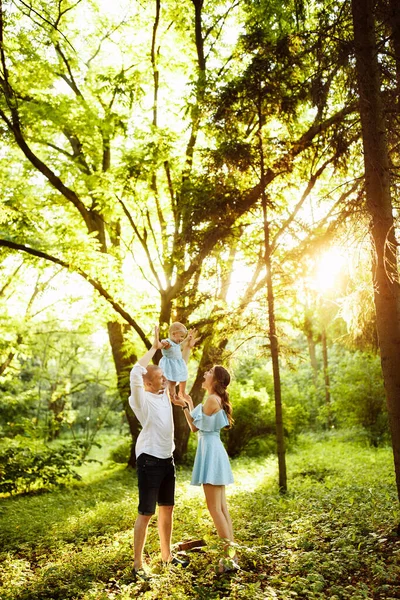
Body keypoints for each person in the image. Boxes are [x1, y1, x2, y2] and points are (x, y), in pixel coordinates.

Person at [128, 325, 198, 580]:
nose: (164, 380)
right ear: (148, 382)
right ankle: (137, 565)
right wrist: (154, 348)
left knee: (167, 508)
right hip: (149, 461)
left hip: (167, 460)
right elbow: (136, 371)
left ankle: (166, 557)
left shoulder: (165, 395)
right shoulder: (140, 399)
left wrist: (186, 346)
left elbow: (179, 366)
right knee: (146, 512)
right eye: (160, 378)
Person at [177, 365, 239, 573]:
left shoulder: (212, 400)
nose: (204, 374)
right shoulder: (213, 400)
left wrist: (185, 406)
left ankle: (229, 560)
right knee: (221, 509)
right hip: (213, 450)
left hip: (211, 453)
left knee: (215, 509)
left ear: (215, 380)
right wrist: (189, 404)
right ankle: (232, 556)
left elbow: (194, 427)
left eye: (209, 373)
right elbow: (198, 423)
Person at [159, 322, 190, 401]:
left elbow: (182, 344)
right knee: (170, 382)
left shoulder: (177, 343)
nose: (182, 339)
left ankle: (180, 393)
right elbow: (163, 344)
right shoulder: (168, 343)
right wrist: (163, 343)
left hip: (177, 366)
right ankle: (171, 395)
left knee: (178, 379)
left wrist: (187, 339)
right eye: (182, 336)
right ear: (173, 334)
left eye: (184, 337)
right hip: (169, 366)